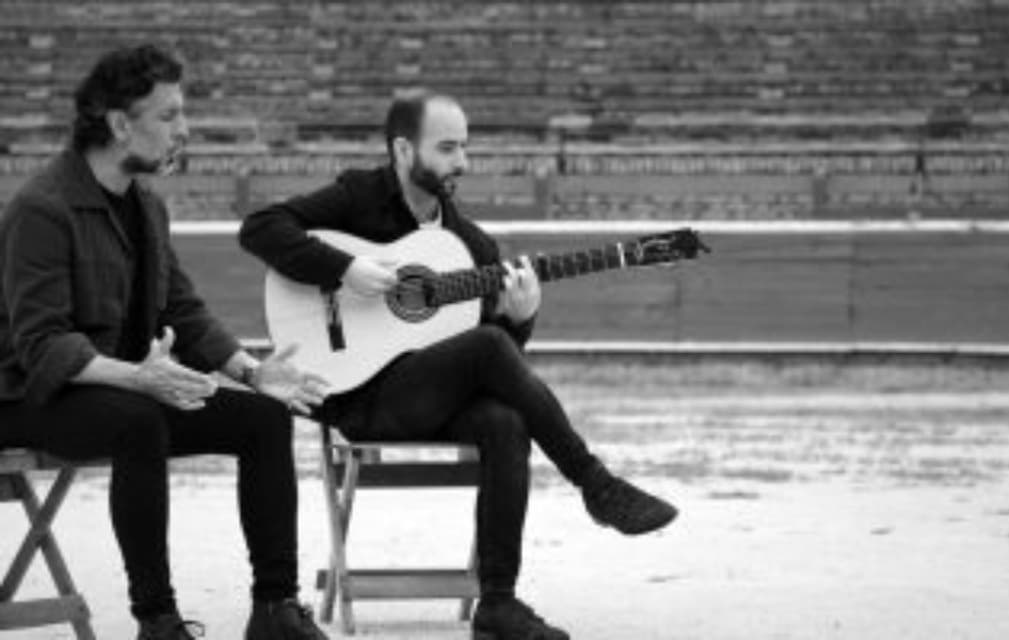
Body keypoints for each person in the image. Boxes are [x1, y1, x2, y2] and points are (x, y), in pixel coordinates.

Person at [239, 91, 679, 640]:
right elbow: (258, 228)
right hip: (355, 396)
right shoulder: (358, 196)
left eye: (465, 148)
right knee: (490, 346)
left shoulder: (469, 245)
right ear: (403, 149)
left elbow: (499, 371)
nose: (462, 163)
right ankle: (596, 484)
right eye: (447, 148)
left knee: (505, 419)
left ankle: (497, 604)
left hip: (423, 398)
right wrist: (345, 267)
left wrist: (523, 318)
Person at [0, 45, 331, 640]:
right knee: (138, 422)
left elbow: (182, 309)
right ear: (120, 124)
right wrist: (136, 378)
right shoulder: (41, 209)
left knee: (262, 420)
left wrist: (253, 373)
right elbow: (42, 346)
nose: (185, 128)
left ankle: (276, 609)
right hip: (25, 397)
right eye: (169, 115)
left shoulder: (147, 205)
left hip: (118, 389)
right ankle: (157, 620)